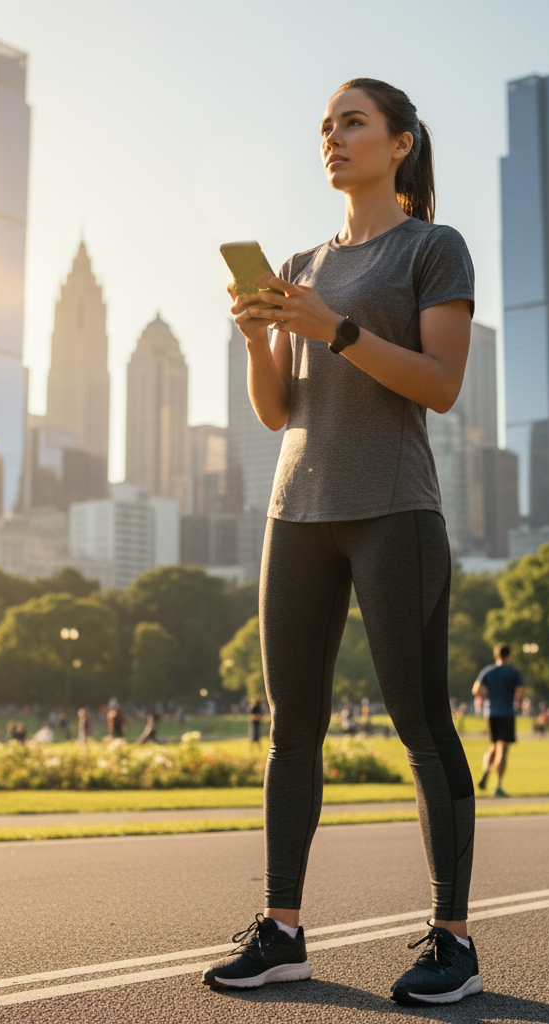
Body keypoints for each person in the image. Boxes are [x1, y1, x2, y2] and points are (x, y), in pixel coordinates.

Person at [201, 78, 480, 1006]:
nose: (333, 137)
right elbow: (282, 411)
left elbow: (440, 385)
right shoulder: (299, 260)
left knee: (420, 723)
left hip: (393, 510)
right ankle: (281, 931)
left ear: (400, 143)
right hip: (297, 512)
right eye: (326, 126)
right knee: (294, 731)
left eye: (352, 122)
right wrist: (257, 339)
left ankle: (452, 941)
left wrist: (338, 327)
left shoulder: (431, 248)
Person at [472, 644, 524, 797]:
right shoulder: (513, 672)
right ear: (509, 655)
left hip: (491, 713)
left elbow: (476, 690)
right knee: (503, 749)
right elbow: (520, 694)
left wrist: (488, 694)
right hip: (506, 713)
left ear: (496, 655)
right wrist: (517, 703)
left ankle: (486, 770)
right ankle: (499, 785)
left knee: (493, 746)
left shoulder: (488, 671)